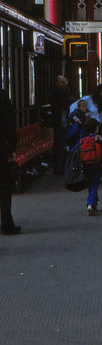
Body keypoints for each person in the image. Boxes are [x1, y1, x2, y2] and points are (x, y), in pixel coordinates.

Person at [1, 88, 20, 235]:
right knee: (4, 187)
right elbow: (9, 123)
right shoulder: (2, 96)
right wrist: (12, 147)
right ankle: (7, 223)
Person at [80, 118, 102, 216]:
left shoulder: (82, 141)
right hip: (96, 165)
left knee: (90, 184)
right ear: (96, 129)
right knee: (94, 185)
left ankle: (94, 203)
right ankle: (90, 203)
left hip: (86, 165)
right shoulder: (98, 139)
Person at [49, 75, 73, 175]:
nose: (64, 84)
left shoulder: (65, 92)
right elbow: (63, 104)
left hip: (62, 121)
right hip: (59, 122)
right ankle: (60, 167)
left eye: (65, 82)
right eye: (62, 82)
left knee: (61, 144)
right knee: (61, 144)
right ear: (57, 83)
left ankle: (61, 167)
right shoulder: (56, 94)